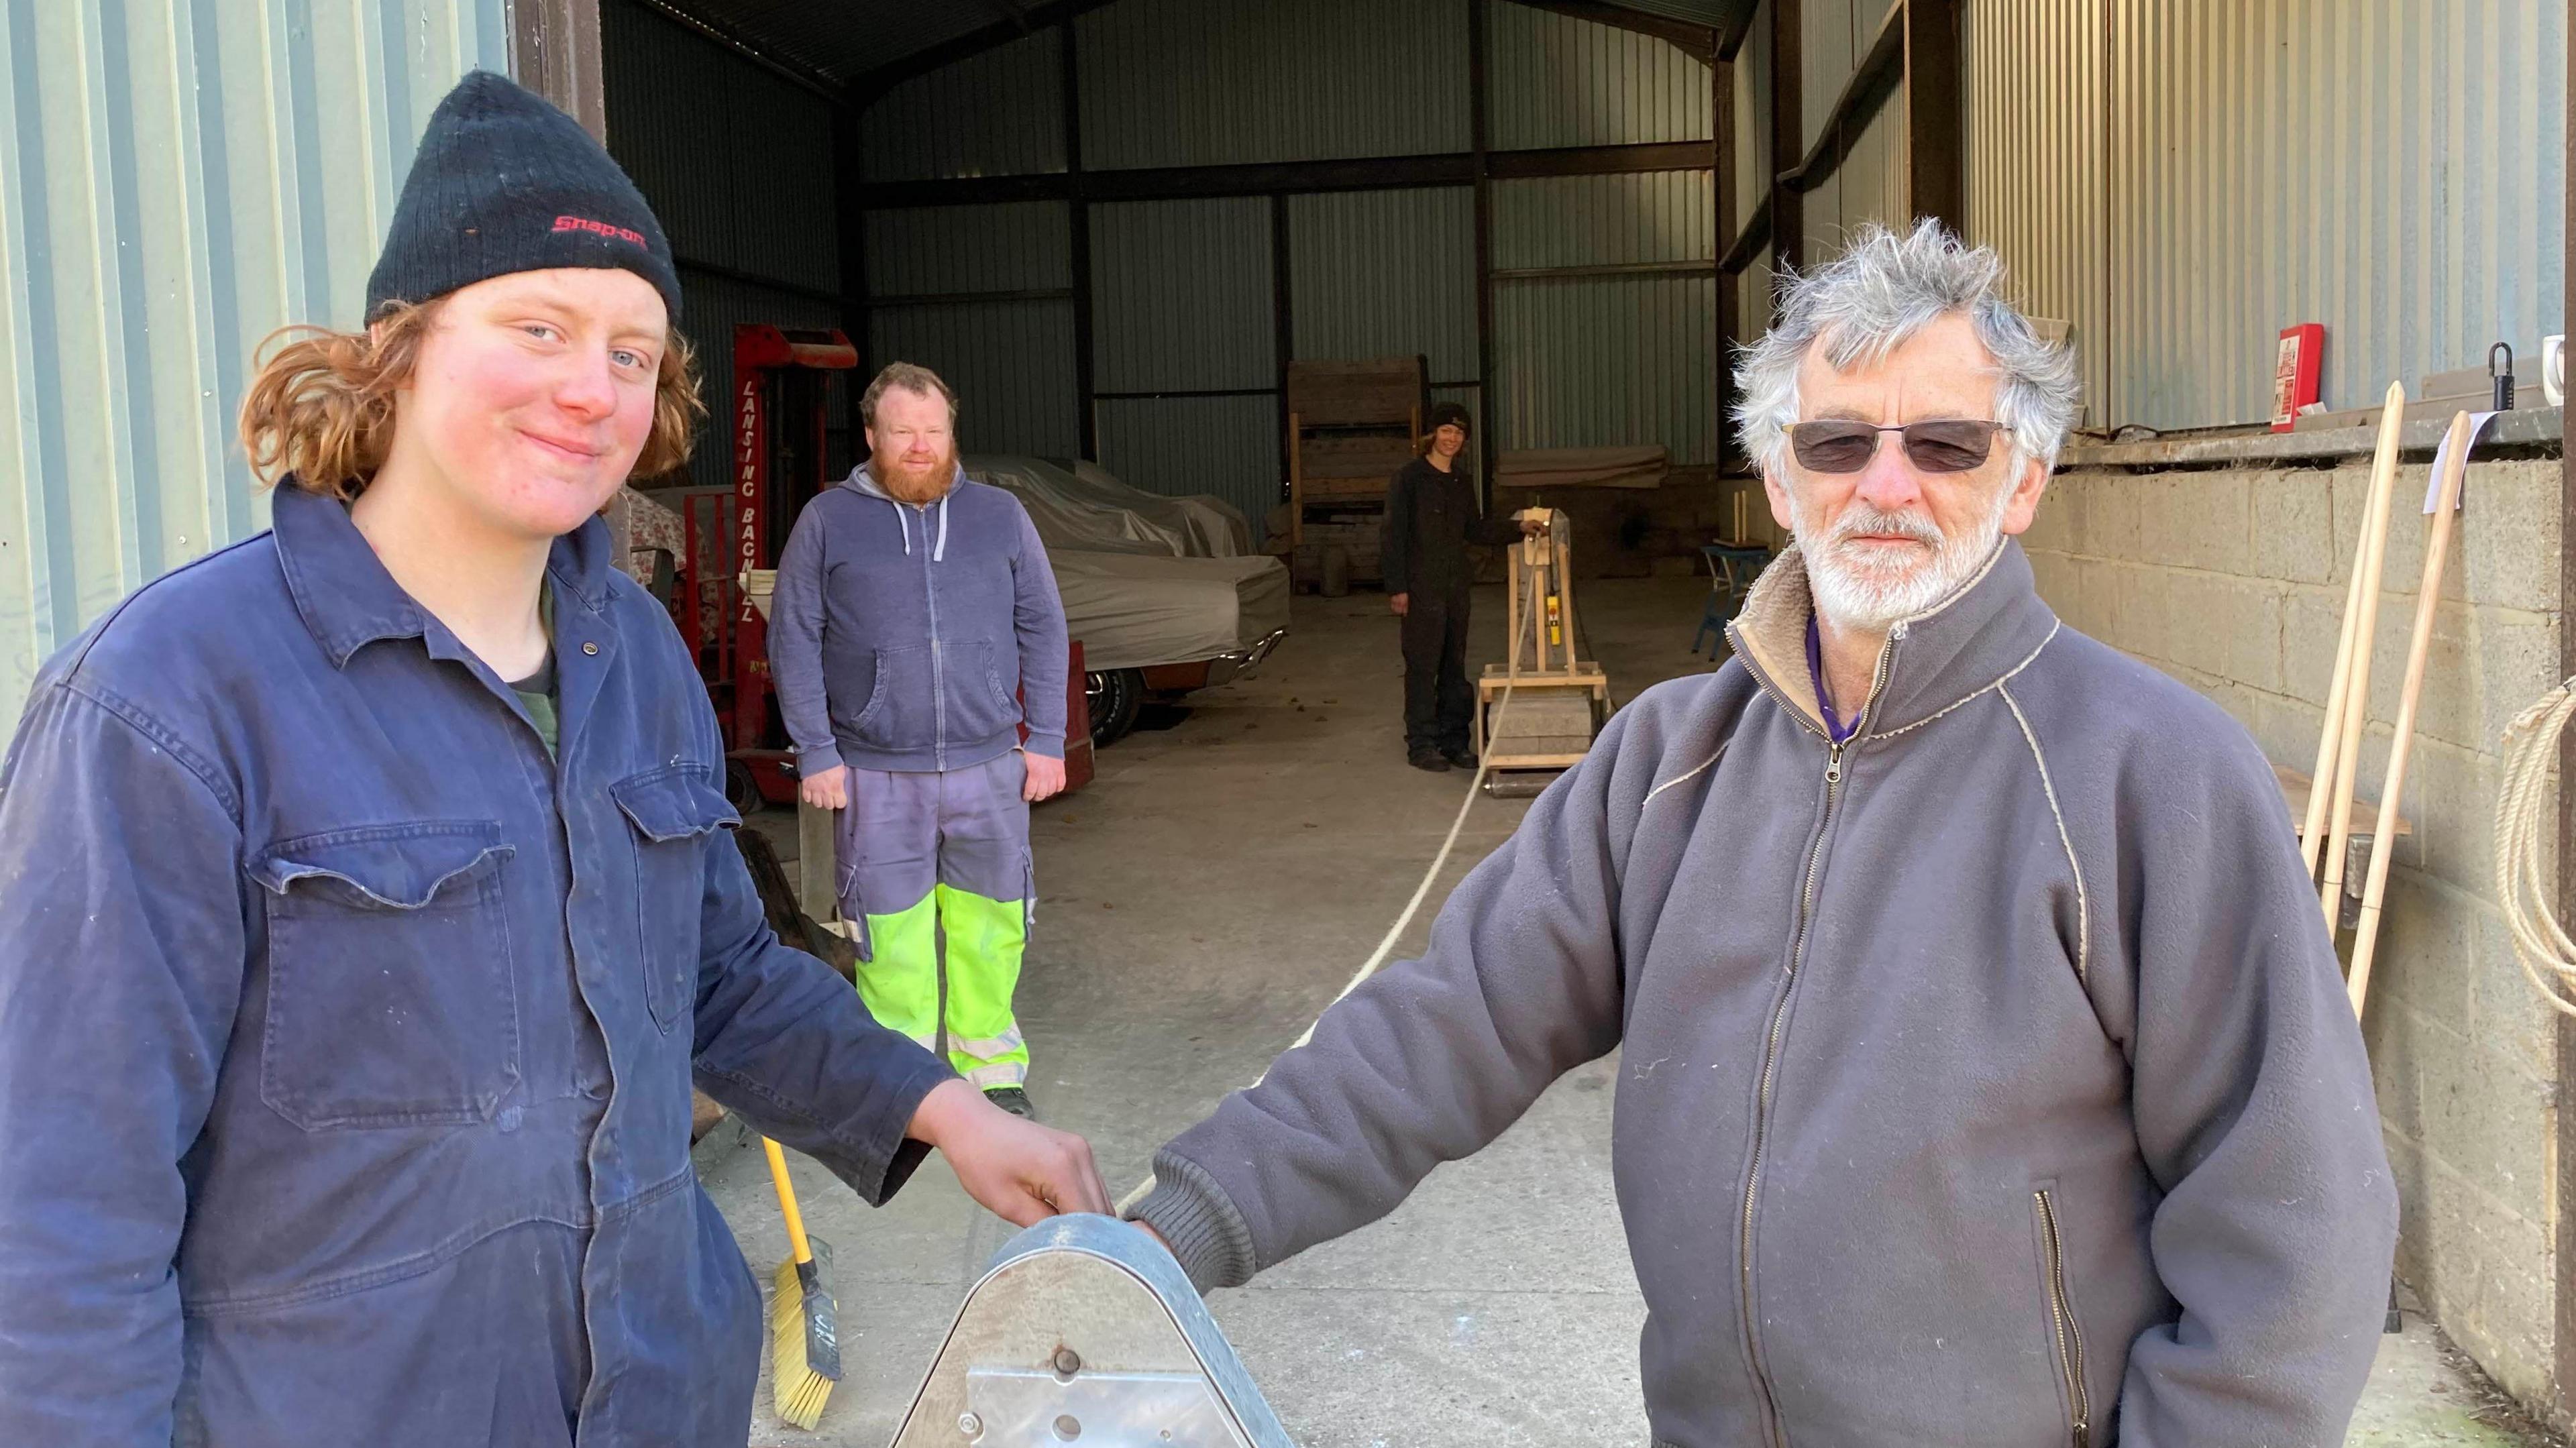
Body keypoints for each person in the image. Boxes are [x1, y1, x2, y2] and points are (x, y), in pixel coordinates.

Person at [1129, 222, 2398, 1446]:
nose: (1885, 484)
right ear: (1783, 481)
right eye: (1838, 441)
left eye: (1945, 443)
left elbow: (2295, 1227)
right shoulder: (1668, 762)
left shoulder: (2154, 776)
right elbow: (1446, 1022)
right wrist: (1169, 1229)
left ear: (2022, 480)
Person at [0, 73, 1108, 1447]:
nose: (592, 388)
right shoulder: (165, 702)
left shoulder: (631, 653)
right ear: (397, 349)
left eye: (633, 352)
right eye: (539, 325)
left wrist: (940, 1104)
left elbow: (717, 975)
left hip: (659, 1394)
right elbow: (58, 1205)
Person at [767, 364, 1069, 1120]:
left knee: (993, 922)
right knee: (889, 929)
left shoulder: (999, 514)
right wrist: (817, 749)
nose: (920, 446)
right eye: (903, 431)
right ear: (871, 436)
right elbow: (794, 636)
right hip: (874, 770)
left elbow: (1044, 622)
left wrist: (1049, 738)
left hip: (990, 763)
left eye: (934, 431)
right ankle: (902, 1081)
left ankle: (990, 1067)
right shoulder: (828, 520)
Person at [1381, 400, 1544, 772]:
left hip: (1456, 586)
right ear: (1432, 435)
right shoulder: (1408, 479)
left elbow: (1474, 528)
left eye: (1459, 433)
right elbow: (1392, 536)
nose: (1452, 438)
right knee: (1423, 666)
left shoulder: (1461, 482)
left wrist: (1516, 528)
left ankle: (1455, 741)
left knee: (1454, 665)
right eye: (1446, 431)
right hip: (1421, 586)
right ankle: (1422, 745)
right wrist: (1398, 587)